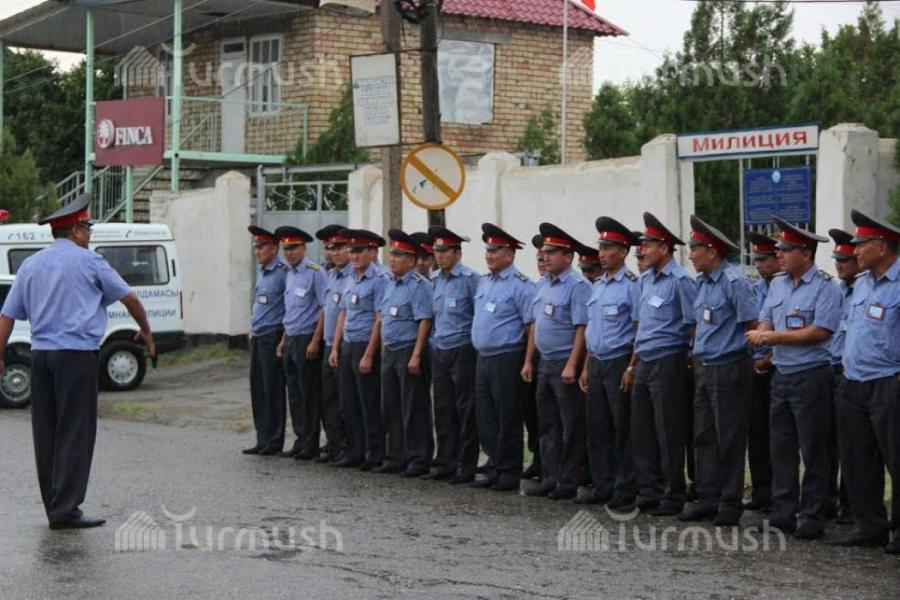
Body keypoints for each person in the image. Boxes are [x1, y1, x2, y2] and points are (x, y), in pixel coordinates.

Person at [0, 194, 156, 529]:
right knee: (75, 430)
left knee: (46, 432)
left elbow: (7, 316)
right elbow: (130, 298)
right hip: (76, 357)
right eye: (87, 227)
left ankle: (54, 507)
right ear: (74, 230)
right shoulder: (91, 262)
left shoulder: (30, 265)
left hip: (41, 356)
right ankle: (66, 510)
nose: (90, 234)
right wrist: (146, 330)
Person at [747, 215, 841, 540]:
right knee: (781, 448)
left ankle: (813, 514)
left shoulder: (826, 287)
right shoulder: (777, 284)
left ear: (805, 253)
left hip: (811, 375)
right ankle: (783, 513)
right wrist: (762, 334)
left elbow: (820, 331)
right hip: (782, 375)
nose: (779, 254)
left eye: (786, 250)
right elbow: (766, 319)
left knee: (813, 449)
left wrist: (773, 337)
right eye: (779, 249)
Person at [680, 216, 757, 527]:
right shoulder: (701, 283)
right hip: (704, 367)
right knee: (703, 436)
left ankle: (730, 502)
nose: (690, 255)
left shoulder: (735, 282)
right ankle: (707, 497)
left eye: (694, 248)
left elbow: (752, 326)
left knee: (729, 439)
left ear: (711, 251)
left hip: (729, 368)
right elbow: (700, 325)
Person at [833, 210, 900, 553]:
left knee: (896, 459)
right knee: (858, 459)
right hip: (853, 381)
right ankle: (869, 526)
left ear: (883, 246)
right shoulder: (860, 284)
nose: (855, 250)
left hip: (888, 382)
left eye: (862, 244)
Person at [621, 212, 697, 516]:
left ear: (664, 248)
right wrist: (631, 366)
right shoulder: (645, 281)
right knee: (642, 430)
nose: (641, 250)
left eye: (648, 245)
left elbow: (693, 327)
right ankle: (648, 490)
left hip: (669, 360)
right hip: (645, 360)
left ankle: (672, 493)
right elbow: (642, 328)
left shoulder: (681, 282)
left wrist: (692, 361)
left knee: (669, 432)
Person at [522, 224, 591, 500]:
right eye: (545, 252)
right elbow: (536, 326)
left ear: (568, 256)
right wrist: (529, 360)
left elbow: (582, 328)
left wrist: (573, 364)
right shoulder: (542, 285)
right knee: (547, 423)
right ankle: (549, 477)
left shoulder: (578, 286)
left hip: (564, 361)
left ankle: (568, 480)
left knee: (570, 425)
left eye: (552, 252)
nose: (545, 257)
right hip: (545, 362)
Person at [577, 217, 640, 508]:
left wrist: (631, 367)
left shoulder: (631, 286)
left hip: (618, 362)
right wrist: (586, 367)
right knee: (598, 427)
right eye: (601, 247)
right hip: (597, 362)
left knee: (622, 428)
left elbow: (640, 330)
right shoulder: (598, 285)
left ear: (623, 252)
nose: (601, 253)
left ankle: (625, 488)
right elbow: (593, 329)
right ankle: (603, 485)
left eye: (608, 248)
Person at [471, 224, 536, 492]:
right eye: (488, 250)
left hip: (506, 357)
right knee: (486, 418)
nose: (489, 255)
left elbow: (531, 326)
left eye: (495, 250)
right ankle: (495, 465)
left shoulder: (521, 285)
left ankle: (509, 471)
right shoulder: (484, 282)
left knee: (507, 416)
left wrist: (528, 361)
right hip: (483, 358)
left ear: (510, 254)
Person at [376, 230, 435, 477]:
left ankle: (418, 457)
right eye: (392, 254)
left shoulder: (419, 286)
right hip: (390, 350)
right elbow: (384, 318)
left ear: (411, 260)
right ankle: (396, 455)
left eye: (399, 255)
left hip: (409, 349)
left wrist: (416, 355)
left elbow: (424, 321)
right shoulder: (389, 283)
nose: (393, 259)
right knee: (391, 406)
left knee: (413, 407)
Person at [328, 229, 388, 470]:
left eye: (359, 251)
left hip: (365, 344)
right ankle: (354, 451)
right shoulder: (350, 278)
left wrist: (370, 354)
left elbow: (379, 319)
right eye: (351, 251)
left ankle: (374, 453)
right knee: (348, 402)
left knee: (369, 402)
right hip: (348, 344)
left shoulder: (380, 279)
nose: (353, 256)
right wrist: (335, 347)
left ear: (372, 252)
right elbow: (343, 313)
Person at [427, 226, 480, 484]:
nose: (439, 255)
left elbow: (478, 315)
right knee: (443, 407)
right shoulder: (435, 279)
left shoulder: (470, 279)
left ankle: (466, 464)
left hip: (463, 347)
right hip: (441, 348)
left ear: (457, 253)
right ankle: (445, 460)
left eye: (444, 251)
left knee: (465, 408)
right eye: (437, 251)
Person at [275, 226, 326, 460]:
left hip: (307, 337)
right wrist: (283, 340)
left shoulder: (316, 272)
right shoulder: (290, 274)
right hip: (291, 337)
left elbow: (324, 308)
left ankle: (311, 443)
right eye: (286, 249)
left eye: (294, 248)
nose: (289, 253)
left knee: (309, 393)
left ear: (304, 248)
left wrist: (315, 340)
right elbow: (290, 310)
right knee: (294, 394)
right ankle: (300, 438)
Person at [245, 225, 288, 456]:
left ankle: (274, 439)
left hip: (273, 336)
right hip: (258, 335)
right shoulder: (262, 272)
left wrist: (283, 339)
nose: (257, 251)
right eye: (256, 247)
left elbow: (289, 307)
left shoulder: (282, 273)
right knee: (258, 389)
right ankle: (262, 437)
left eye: (261, 247)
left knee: (273, 389)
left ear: (274, 248)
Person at [744, 231, 779, 512]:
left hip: (779, 367)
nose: (759, 265)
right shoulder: (754, 289)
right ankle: (761, 492)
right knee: (756, 434)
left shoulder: (784, 288)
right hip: (753, 368)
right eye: (756, 260)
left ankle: (780, 495)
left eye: (765, 259)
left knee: (779, 436)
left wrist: (769, 359)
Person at [826, 228, 859, 523]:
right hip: (830, 371)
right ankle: (829, 502)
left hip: (854, 375)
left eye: (845, 261)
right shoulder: (836, 292)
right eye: (836, 260)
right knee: (828, 442)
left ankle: (850, 507)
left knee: (853, 445)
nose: (839, 265)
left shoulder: (864, 291)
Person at [315, 225, 350, 463]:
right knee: (329, 398)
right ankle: (334, 444)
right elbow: (326, 310)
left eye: (338, 247)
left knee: (345, 399)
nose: (333, 252)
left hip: (346, 343)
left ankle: (349, 446)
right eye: (330, 248)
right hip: (329, 343)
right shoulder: (330, 276)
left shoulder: (353, 276)